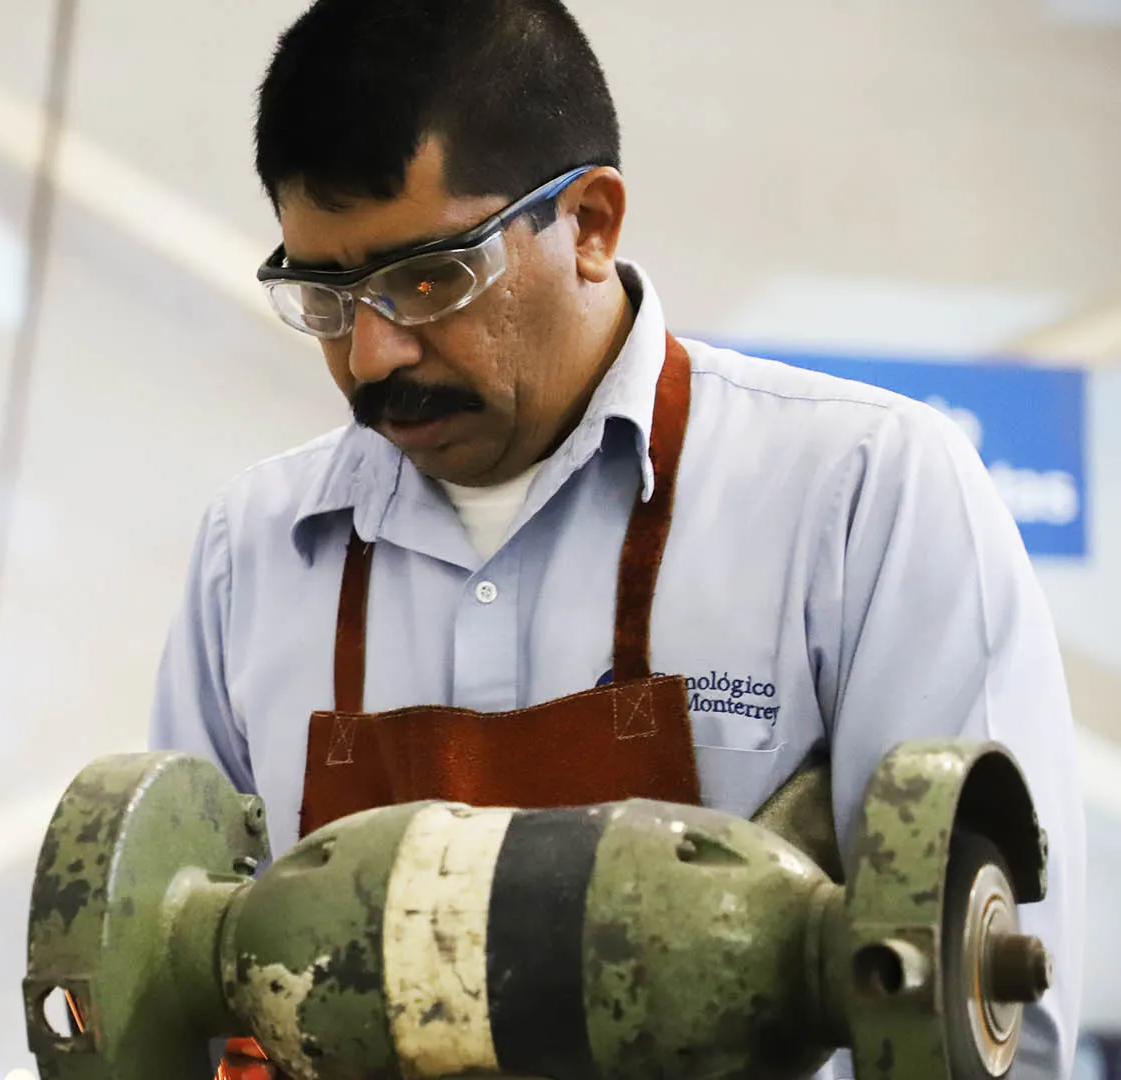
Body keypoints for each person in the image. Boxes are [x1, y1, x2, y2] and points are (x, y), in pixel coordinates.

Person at [147, 2, 1085, 1077]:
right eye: (327, 294)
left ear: (590, 223)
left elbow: (989, 1013)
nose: (372, 354)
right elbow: (172, 990)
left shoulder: (863, 499)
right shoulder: (253, 553)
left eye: (426, 279)